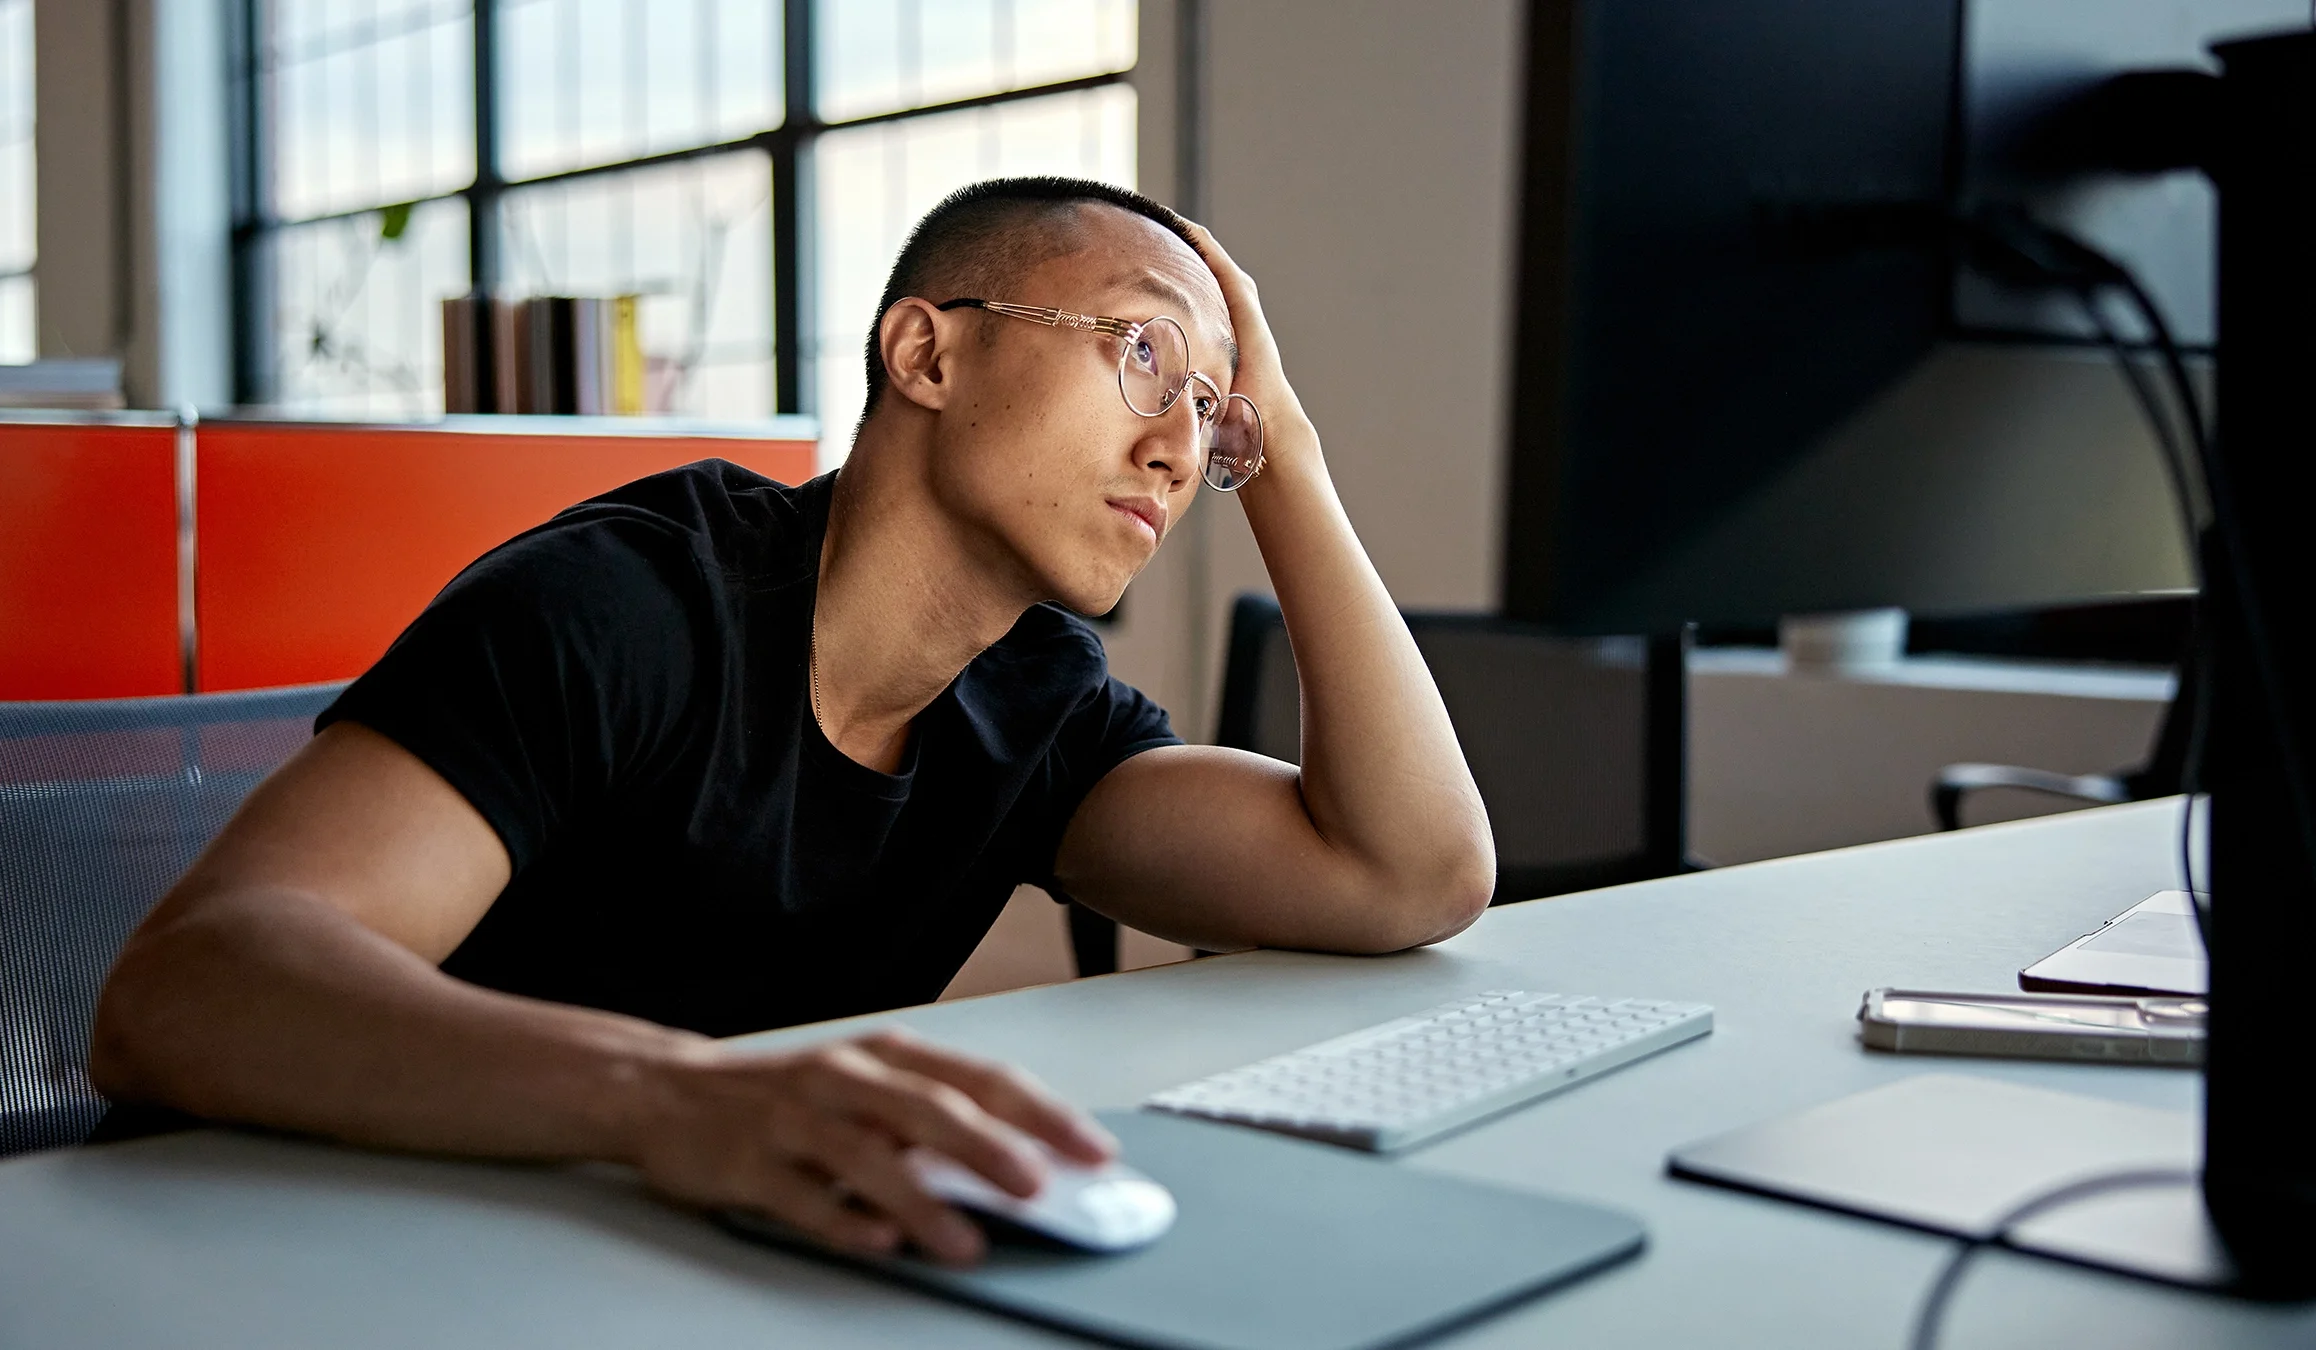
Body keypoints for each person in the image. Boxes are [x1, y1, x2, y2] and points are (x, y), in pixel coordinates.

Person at [90, 176, 1494, 1265]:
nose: (1181, 444)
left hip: (615, 1253)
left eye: (1209, 407)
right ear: (925, 355)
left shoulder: (1033, 709)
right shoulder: (625, 607)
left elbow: (1406, 871)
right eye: (1141, 350)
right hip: (272, 1246)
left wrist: (1287, 457)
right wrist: (678, 1100)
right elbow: (184, 989)